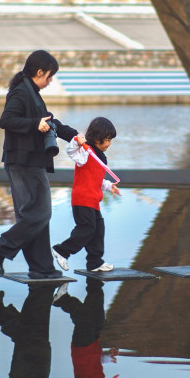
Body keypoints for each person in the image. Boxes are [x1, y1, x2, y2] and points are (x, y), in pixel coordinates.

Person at [0, 50, 79, 280]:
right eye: (49, 76)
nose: (50, 81)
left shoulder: (32, 92)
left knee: (34, 215)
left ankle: (42, 268)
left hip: (29, 162)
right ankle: (0, 246)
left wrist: (74, 136)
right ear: (39, 72)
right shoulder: (21, 92)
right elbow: (6, 120)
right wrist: (35, 124)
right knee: (40, 214)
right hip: (23, 163)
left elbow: (49, 121)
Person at [51, 116, 121, 274]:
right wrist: (77, 141)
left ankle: (95, 262)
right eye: (108, 139)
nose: (110, 143)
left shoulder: (99, 157)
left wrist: (109, 186)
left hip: (93, 200)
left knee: (98, 229)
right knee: (87, 228)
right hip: (82, 199)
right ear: (97, 138)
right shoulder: (85, 152)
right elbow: (71, 152)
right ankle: (62, 251)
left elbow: (96, 178)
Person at [52, 276, 118, 378]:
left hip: (82, 348)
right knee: (97, 318)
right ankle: (94, 284)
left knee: (86, 320)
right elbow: (96, 364)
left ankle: (61, 300)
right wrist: (107, 357)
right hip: (93, 346)